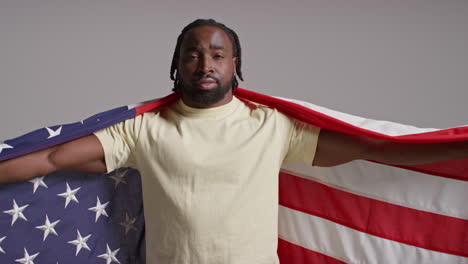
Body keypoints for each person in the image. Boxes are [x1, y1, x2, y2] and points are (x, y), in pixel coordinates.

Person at [0, 19, 467, 264]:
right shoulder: (143, 130)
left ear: (234, 64)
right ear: (177, 66)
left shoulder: (272, 126)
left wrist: (456, 150)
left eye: (217, 54)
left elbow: (375, 149)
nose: (205, 63)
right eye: (193, 54)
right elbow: (52, 157)